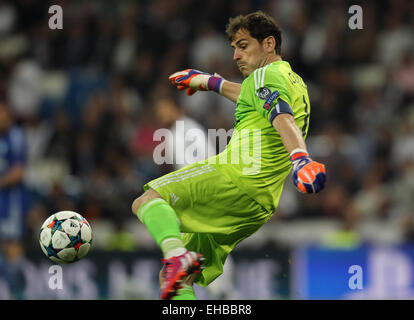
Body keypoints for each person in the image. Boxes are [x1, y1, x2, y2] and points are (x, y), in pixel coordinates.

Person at [131, 11, 326, 300]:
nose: (235, 55)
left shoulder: (265, 75)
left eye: (243, 45)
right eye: (234, 47)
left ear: (269, 44)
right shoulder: (292, 81)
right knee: (177, 281)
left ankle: (176, 255)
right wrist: (209, 82)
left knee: (148, 200)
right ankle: (179, 264)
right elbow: (253, 97)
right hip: (259, 205)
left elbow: (281, 116)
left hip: (236, 177)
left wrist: (301, 158)